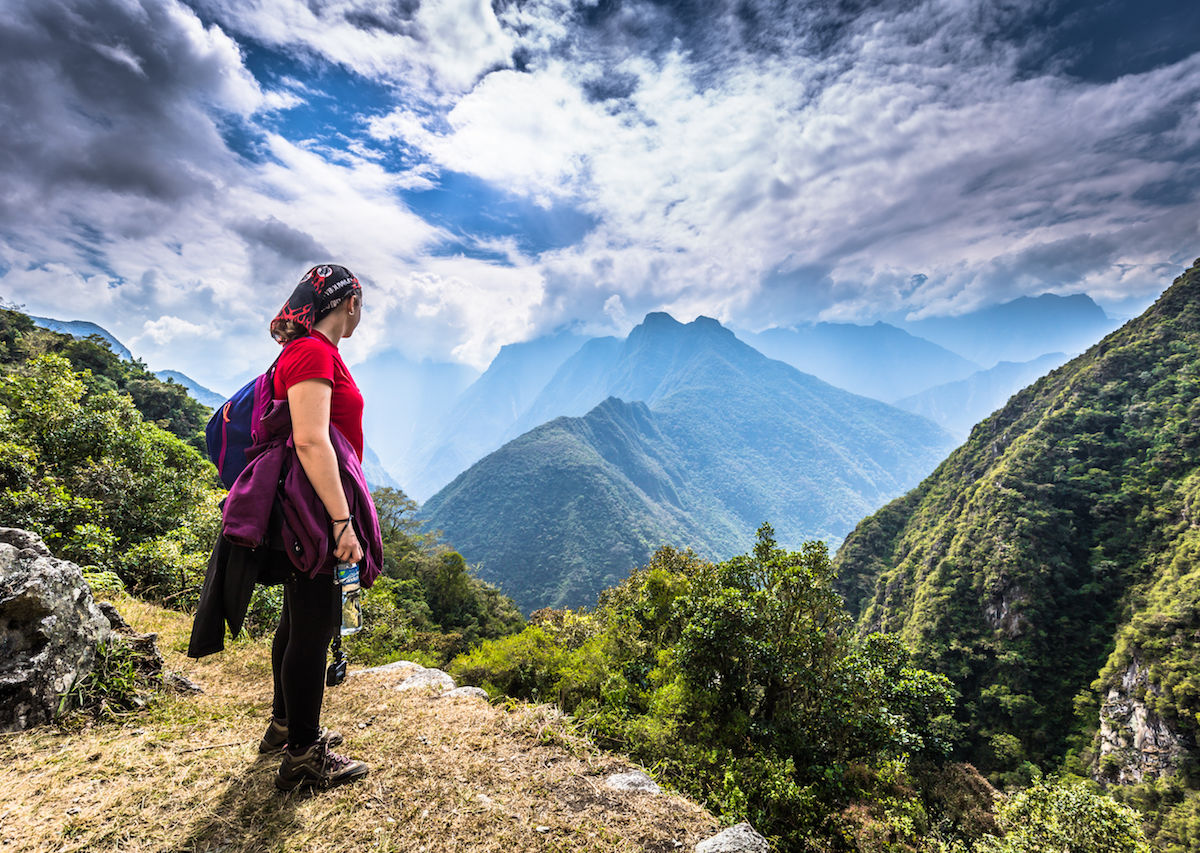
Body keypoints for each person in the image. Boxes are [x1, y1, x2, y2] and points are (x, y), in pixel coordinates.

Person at [264, 263, 372, 791]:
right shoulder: (311, 353)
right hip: (315, 511)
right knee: (314, 626)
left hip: (310, 507)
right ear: (349, 302)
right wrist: (341, 522)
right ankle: (303, 754)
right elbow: (310, 441)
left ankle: (284, 726)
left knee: (298, 618)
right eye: (362, 305)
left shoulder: (314, 353)